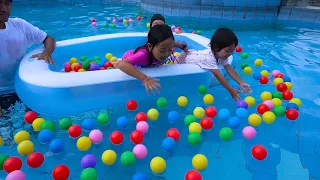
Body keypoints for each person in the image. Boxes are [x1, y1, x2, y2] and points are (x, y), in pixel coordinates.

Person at [0, 0, 56, 117]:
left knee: (38, 123)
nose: (3, 8)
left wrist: (46, 53)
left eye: (7, 3)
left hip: (23, 88)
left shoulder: (19, 25)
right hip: (2, 93)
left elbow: (48, 39)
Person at [175, 28, 252, 101]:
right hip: (182, 60)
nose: (230, 54)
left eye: (232, 51)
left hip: (193, 54)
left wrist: (241, 82)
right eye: (228, 51)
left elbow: (229, 68)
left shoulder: (222, 55)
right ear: (216, 47)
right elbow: (217, 75)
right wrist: (230, 90)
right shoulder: (210, 58)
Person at [113, 24, 174, 95]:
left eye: (170, 49)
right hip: (129, 59)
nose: (166, 54)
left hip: (143, 61)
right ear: (150, 46)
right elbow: (122, 64)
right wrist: (145, 78)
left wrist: (182, 46)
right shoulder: (143, 55)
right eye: (162, 51)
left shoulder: (164, 47)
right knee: (129, 87)